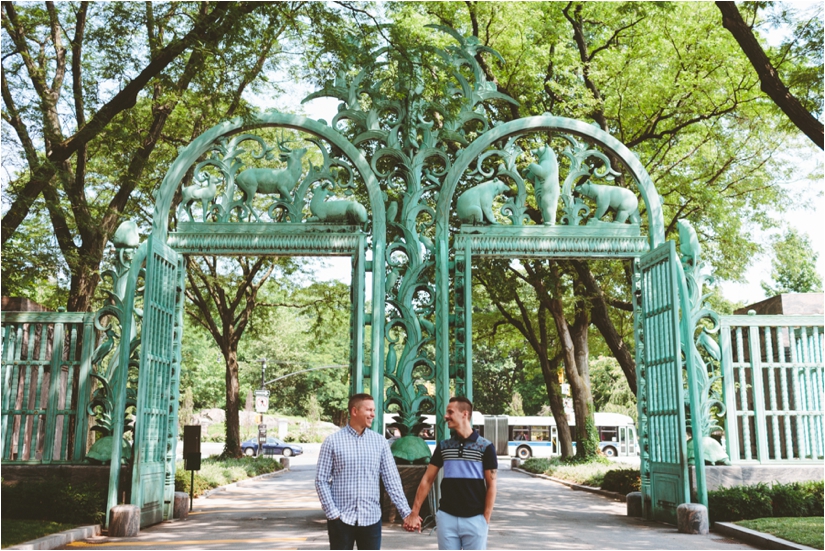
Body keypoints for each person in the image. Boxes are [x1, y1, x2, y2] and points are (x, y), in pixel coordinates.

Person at [315, 393, 418, 550]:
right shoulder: (332, 442)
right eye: (369, 410)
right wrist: (332, 513)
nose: (373, 414)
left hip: (371, 518)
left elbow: (392, 480)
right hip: (341, 519)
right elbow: (321, 480)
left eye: (374, 410)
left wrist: (406, 513)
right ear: (354, 411)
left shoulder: (380, 442)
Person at [404, 397, 497, 550]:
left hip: (475, 519)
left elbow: (492, 485)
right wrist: (415, 512)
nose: (445, 416)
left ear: (464, 414)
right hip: (447, 518)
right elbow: (427, 479)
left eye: (450, 412)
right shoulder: (444, 446)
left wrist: (485, 518)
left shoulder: (486, 447)